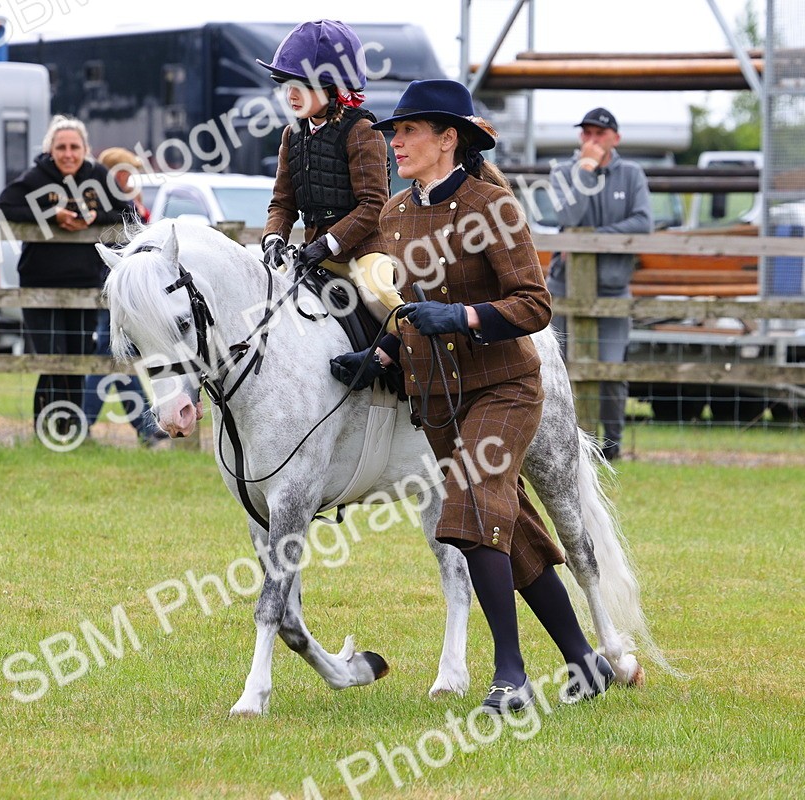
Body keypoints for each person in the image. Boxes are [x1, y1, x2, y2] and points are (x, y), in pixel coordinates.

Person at [337, 79, 614, 712]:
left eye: (407, 132)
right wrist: (379, 353)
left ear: (447, 138)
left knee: (467, 512)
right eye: (393, 133)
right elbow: (409, 311)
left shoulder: (496, 206)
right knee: (507, 528)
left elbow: (534, 304)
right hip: (439, 397)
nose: (395, 143)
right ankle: (584, 662)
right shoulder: (394, 214)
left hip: (506, 388)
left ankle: (509, 675)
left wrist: (463, 317)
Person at [258, 20, 400, 333]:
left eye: (302, 86)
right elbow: (282, 202)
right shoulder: (291, 135)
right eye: (288, 85)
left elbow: (373, 204)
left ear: (331, 88)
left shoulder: (362, 131)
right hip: (313, 253)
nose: (291, 95)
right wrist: (274, 238)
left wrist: (328, 243)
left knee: (378, 295)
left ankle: (420, 364)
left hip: (363, 252)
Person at [0, 115, 126, 439]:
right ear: (50, 150)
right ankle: (47, 429)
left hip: (84, 283)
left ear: (85, 149)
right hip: (40, 283)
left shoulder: (97, 176)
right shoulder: (37, 178)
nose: (68, 154)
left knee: (78, 358)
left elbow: (127, 211)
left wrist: (95, 217)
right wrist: (50, 215)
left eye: (74, 147)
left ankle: (72, 431)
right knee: (53, 358)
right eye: (61, 147)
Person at [547, 108, 652, 461]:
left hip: (612, 290)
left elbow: (642, 223)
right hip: (565, 290)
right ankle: (569, 442)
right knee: (561, 369)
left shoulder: (632, 174)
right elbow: (568, 218)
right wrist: (586, 172)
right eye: (586, 134)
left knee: (610, 370)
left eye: (599, 134)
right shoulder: (564, 172)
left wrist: (588, 241)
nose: (591, 141)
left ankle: (613, 445)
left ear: (615, 139)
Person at [83, 147, 167, 447]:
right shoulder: (111, 205)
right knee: (114, 355)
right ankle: (142, 426)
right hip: (111, 286)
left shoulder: (130, 203)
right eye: (125, 172)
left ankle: (88, 424)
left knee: (117, 356)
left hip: (128, 285)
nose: (132, 178)